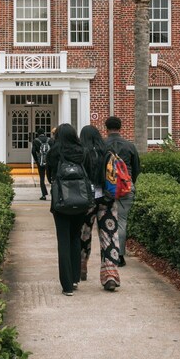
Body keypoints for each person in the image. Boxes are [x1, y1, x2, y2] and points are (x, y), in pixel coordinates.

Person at [47, 123, 89, 296]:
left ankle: (67, 286)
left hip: (62, 201)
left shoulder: (54, 152)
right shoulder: (82, 152)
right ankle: (74, 278)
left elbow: (50, 176)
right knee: (75, 238)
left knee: (63, 241)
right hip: (80, 200)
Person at [79, 124, 120, 291]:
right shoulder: (108, 153)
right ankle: (110, 275)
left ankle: (81, 266)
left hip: (86, 201)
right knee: (109, 236)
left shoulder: (81, 154)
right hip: (107, 200)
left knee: (83, 234)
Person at [105, 116, 141, 267]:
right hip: (126, 187)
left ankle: (108, 254)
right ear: (120, 128)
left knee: (107, 223)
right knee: (122, 222)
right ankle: (120, 256)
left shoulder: (102, 145)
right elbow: (137, 168)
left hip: (107, 188)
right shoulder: (129, 146)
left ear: (106, 128)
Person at [31, 127, 53, 200]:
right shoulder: (50, 140)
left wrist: (36, 160)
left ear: (38, 133)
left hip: (40, 162)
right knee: (52, 177)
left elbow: (33, 151)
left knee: (42, 178)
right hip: (49, 162)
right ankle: (53, 192)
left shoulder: (36, 141)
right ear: (44, 133)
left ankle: (44, 195)